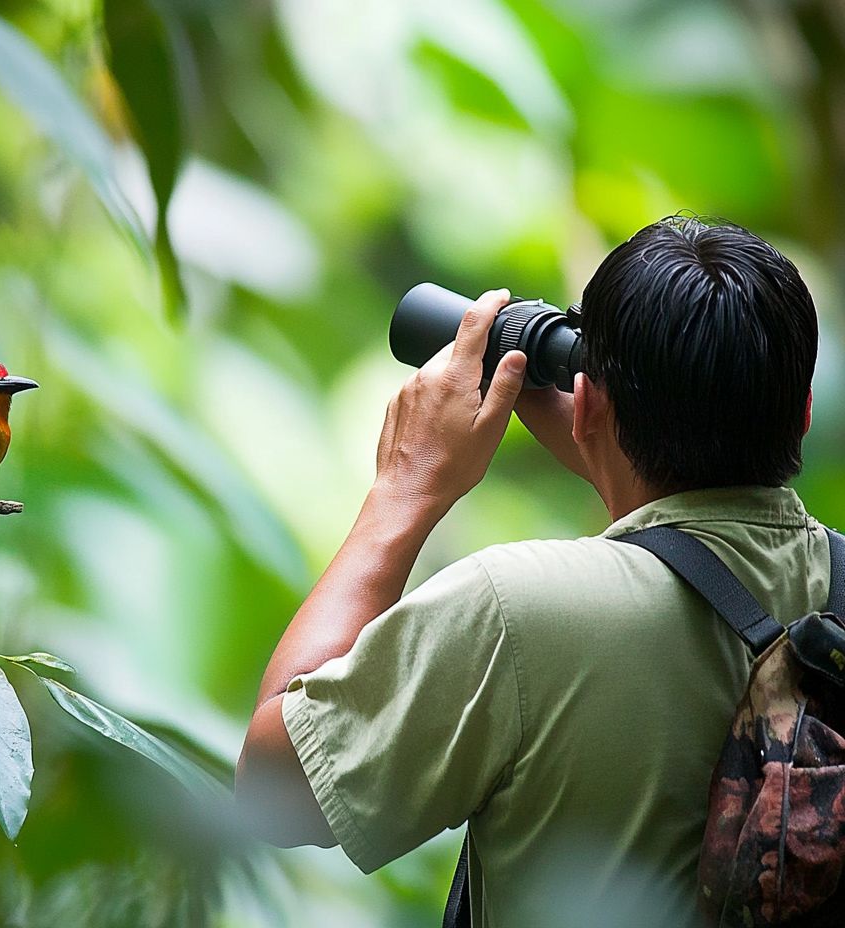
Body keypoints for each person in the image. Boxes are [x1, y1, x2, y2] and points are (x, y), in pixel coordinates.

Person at [234, 216, 823, 927]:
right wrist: (611, 438)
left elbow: (273, 788)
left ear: (591, 407)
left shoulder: (517, 610)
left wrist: (406, 489)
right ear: (803, 414)